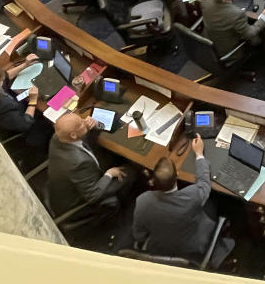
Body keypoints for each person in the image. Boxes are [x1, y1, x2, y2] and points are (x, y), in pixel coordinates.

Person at [133, 136, 234, 266]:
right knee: (212, 203)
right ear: (177, 176)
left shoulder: (142, 201)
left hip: (158, 248)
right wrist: (199, 154)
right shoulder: (191, 196)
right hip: (194, 248)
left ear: (153, 181)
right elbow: (204, 183)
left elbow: (139, 236)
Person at [48, 112, 133, 217]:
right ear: (73, 135)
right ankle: (123, 206)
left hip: (78, 178)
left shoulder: (57, 137)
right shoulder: (79, 162)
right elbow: (92, 196)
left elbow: (83, 135)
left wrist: (96, 124)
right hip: (81, 198)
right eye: (81, 124)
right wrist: (109, 174)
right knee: (130, 171)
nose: (85, 121)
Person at [0, 58, 52, 149]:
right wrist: (32, 101)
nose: (3, 80)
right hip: (29, 125)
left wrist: (24, 65)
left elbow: (5, 76)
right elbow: (25, 123)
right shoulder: (0, 109)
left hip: (18, 103)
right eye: (0, 81)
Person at [200, 0, 265, 56]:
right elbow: (249, 34)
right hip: (226, 49)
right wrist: (264, 18)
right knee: (256, 39)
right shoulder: (236, 14)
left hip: (207, 39)